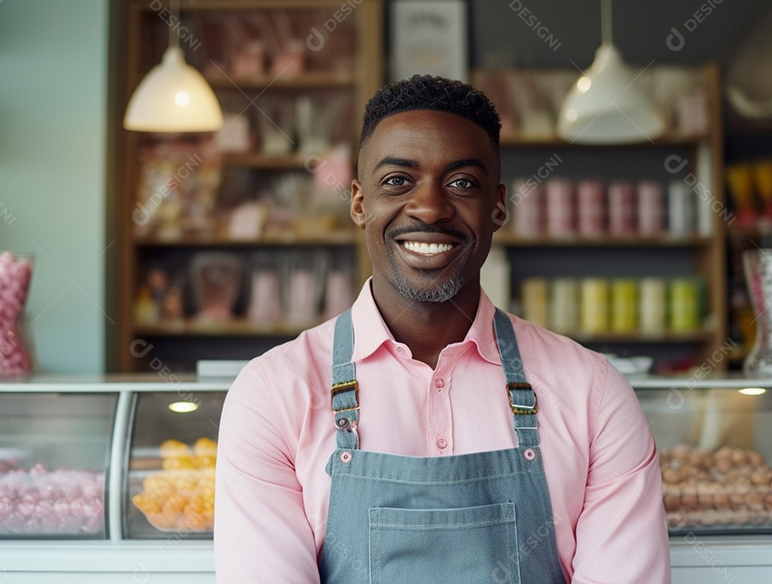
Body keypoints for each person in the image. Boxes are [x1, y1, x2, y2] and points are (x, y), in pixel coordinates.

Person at [215, 75, 670, 583]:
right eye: (397, 181)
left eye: (462, 183)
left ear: (497, 206)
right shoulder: (274, 393)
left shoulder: (593, 392)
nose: (430, 207)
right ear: (359, 202)